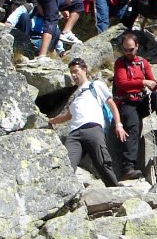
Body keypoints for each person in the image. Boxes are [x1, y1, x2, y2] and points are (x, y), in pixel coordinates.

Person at [47, 57, 123, 185]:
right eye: (71, 72)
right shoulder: (75, 96)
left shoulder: (95, 85)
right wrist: (51, 120)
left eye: (76, 71)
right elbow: (67, 116)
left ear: (84, 70)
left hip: (93, 128)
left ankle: (115, 190)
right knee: (67, 165)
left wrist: (119, 124)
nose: (73, 75)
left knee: (102, 162)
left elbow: (111, 104)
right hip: (74, 134)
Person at [112, 33, 157, 180]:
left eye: (131, 49)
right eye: (125, 50)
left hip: (140, 101)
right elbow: (122, 83)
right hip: (126, 102)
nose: (128, 53)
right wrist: (142, 82)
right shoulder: (120, 63)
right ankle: (128, 167)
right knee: (133, 128)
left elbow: (152, 86)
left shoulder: (143, 63)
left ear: (137, 47)